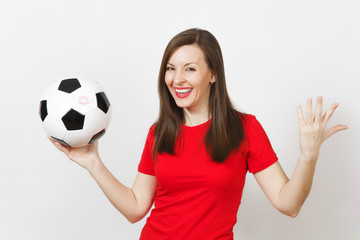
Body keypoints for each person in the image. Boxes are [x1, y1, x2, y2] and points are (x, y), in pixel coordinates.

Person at [49, 28, 348, 240]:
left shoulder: (245, 128)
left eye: (190, 69)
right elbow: (136, 208)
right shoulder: (159, 133)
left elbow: (289, 204)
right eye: (170, 68)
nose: (177, 79)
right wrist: (93, 164)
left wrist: (309, 156)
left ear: (213, 74)